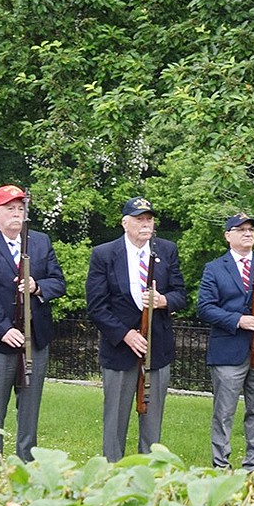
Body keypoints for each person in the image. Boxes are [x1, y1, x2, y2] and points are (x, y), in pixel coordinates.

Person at [0, 184, 66, 461]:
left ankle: (26, 469)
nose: (16, 214)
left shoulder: (40, 242)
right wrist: (3, 329)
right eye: (10, 209)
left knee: (30, 413)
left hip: (35, 340)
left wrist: (38, 286)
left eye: (21, 209)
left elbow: (58, 282)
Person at [85, 196, 187, 461]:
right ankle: (112, 472)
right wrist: (125, 334)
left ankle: (149, 473)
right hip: (119, 350)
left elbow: (181, 295)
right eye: (139, 219)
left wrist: (164, 301)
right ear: (124, 223)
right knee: (115, 420)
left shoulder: (166, 250)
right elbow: (96, 306)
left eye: (149, 219)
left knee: (152, 422)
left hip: (158, 348)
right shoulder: (104, 254)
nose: (146, 224)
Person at [196, 211, 254, 471]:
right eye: (240, 230)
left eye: (250, 229)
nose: (247, 233)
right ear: (228, 236)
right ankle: (221, 464)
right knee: (224, 412)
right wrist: (238, 320)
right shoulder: (214, 268)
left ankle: (253, 464)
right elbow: (205, 308)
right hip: (228, 348)